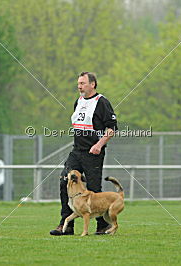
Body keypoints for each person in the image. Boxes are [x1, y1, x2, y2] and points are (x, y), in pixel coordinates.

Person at [50, 71, 118, 235]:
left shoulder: (102, 102)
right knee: (64, 183)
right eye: (78, 83)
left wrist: (99, 145)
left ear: (92, 84)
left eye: (82, 83)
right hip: (76, 151)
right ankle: (66, 226)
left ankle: (102, 225)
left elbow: (112, 128)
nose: (79, 86)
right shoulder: (78, 102)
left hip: (93, 154)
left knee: (94, 188)